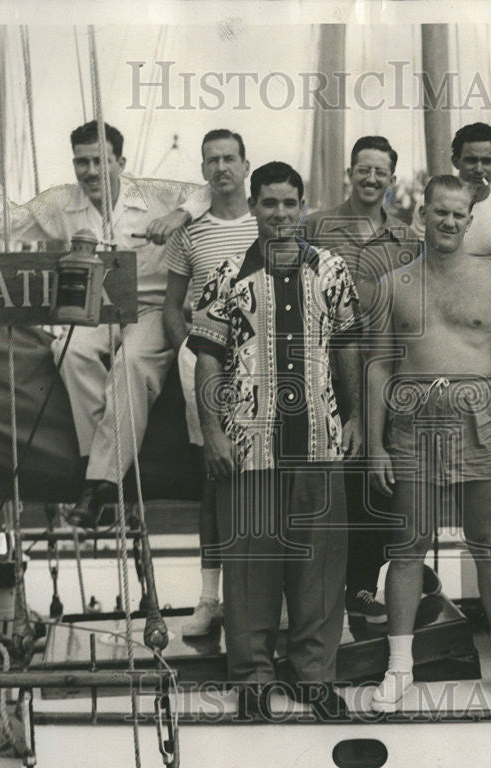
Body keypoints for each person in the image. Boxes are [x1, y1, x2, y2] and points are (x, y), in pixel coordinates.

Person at [0, 121, 210, 527]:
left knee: (132, 364)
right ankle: (104, 463)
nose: (92, 171)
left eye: (101, 161)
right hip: (96, 309)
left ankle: (96, 483)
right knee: (72, 353)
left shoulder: (154, 193)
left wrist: (178, 215)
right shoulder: (62, 203)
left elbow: (210, 191)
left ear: (121, 162)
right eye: (82, 162)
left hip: (150, 308)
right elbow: (4, 222)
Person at [188, 161, 363, 716]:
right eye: (269, 203)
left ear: (303, 206)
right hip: (249, 443)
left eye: (290, 204)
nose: (280, 214)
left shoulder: (331, 271)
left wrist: (355, 418)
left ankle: (314, 676)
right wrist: (213, 431)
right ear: (255, 205)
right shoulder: (226, 273)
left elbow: (347, 348)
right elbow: (208, 359)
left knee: (319, 567)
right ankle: (254, 679)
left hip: (318, 438)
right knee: (250, 571)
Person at [367, 175, 491, 710]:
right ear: (424, 214)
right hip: (412, 421)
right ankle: (399, 669)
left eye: (459, 215)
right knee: (408, 546)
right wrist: (374, 444)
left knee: (487, 543)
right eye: (440, 212)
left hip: (480, 419)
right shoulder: (394, 284)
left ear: (470, 219)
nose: (449, 222)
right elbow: (378, 367)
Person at [301, 135, 439, 626]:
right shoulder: (315, 227)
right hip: (324, 366)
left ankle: (362, 587)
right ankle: (315, 593)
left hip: (384, 371)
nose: (371, 178)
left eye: (381, 171)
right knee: (324, 483)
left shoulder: (406, 239)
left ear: (392, 178)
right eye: (363, 168)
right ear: (350, 172)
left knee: (376, 480)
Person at [161, 129, 258, 636]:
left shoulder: (268, 218)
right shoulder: (189, 232)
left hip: (262, 367)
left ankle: (270, 597)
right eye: (212, 160)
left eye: (229, 159)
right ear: (203, 171)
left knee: (269, 478)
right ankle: (207, 599)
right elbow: (172, 304)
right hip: (207, 363)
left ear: (245, 165)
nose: (221, 168)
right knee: (213, 476)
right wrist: (187, 348)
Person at [412, 122, 491, 278]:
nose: (479, 169)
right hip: (438, 283)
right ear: (456, 161)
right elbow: (417, 256)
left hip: (489, 290)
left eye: (487, 161)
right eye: (471, 160)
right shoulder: (430, 203)